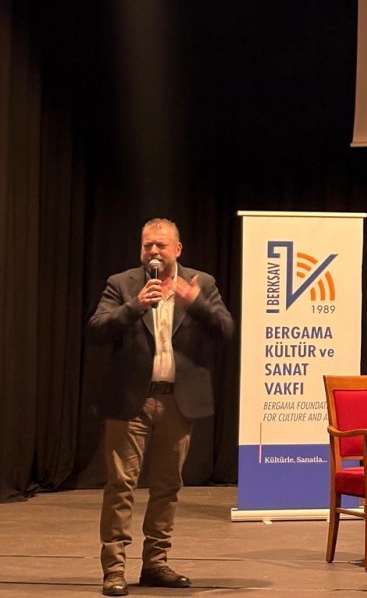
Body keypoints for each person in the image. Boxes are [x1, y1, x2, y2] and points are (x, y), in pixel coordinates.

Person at [88, 218, 234, 596]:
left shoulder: (201, 283)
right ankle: (114, 569)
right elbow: (98, 329)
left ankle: (155, 562)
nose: (153, 251)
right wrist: (135, 306)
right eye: (147, 245)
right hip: (130, 400)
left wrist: (195, 304)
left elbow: (226, 329)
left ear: (177, 249)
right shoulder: (122, 284)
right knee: (120, 485)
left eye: (161, 245)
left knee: (168, 486)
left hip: (177, 401)